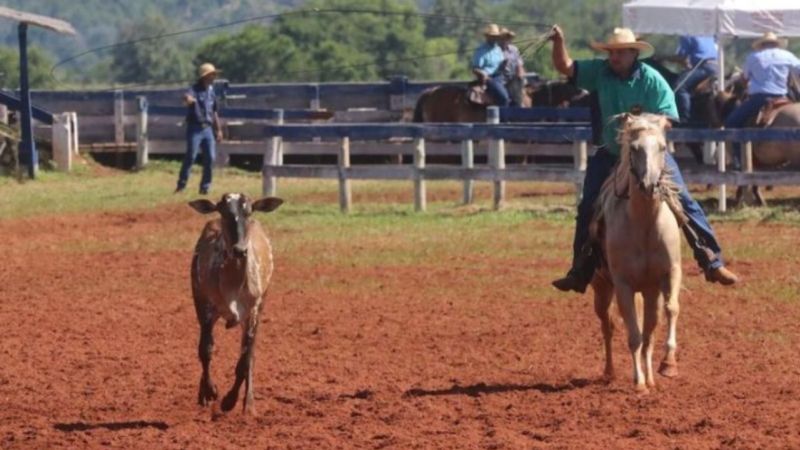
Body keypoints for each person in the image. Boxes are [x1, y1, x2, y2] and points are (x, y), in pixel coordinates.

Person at [548, 26, 738, 293]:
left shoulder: (652, 79)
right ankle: (581, 270)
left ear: (633, 54)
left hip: (647, 152)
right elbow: (565, 66)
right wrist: (559, 41)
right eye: (612, 52)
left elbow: (667, 118)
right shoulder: (599, 72)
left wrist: (641, 127)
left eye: (621, 52)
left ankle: (711, 260)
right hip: (611, 153)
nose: (615, 57)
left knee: (684, 200)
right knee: (588, 206)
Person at [724, 32, 800, 168]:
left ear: (761, 44)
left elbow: (745, 78)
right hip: (783, 97)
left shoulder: (754, 57)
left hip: (760, 97)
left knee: (731, 123)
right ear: (776, 43)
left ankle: (738, 160)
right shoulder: (787, 56)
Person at [175, 62, 223, 195]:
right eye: (211, 74)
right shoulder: (194, 90)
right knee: (191, 156)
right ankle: (181, 185)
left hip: (208, 129)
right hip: (195, 128)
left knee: (210, 158)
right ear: (204, 76)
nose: (213, 77)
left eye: (214, 74)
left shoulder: (212, 92)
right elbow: (187, 97)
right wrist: (188, 99)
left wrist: (218, 130)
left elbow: (214, 113)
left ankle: (205, 187)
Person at [671, 35, 718, 125]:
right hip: (715, 66)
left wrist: (663, 58)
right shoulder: (707, 33)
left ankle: (684, 119)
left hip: (704, 67)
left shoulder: (687, 35)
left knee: (680, 87)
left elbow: (681, 57)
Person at [472, 24, 510, 107]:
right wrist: (482, 74)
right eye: (492, 36)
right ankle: (502, 118)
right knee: (504, 97)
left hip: (501, 76)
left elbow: (500, 66)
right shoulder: (481, 50)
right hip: (489, 78)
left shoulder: (498, 49)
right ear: (487, 37)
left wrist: (504, 65)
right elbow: (475, 68)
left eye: (496, 36)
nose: (494, 38)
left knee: (516, 91)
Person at [499, 27, 527, 106]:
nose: (504, 40)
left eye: (506, 38)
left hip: (514, 79)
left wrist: (520, 75)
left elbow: (519, 64)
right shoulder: (495, 51)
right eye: (502, 38)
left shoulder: (514, 50)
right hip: (502, 79)